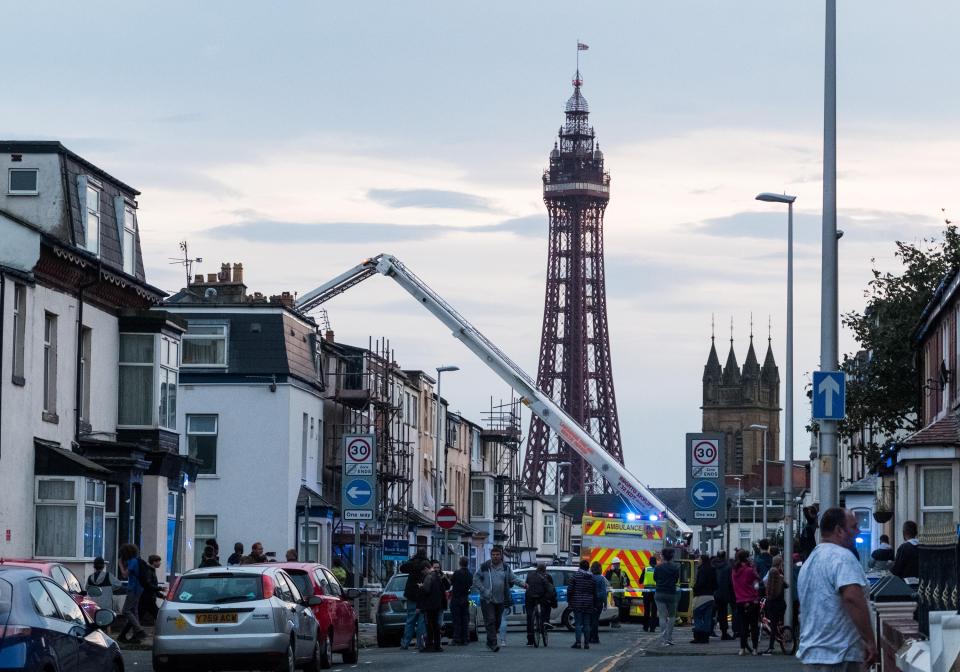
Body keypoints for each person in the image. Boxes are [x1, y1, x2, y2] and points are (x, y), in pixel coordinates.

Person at [797, 507, 878, 670]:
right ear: (839, 530)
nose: (858, 531)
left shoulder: (810, 561)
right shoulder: (842, 557)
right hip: (839, 655)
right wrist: (870, 641)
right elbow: (852, 598)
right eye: (854, 527)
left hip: (812, 655)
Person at [472, 546, 525, 652]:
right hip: (487, 599)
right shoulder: (485, 567)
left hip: (500, 599)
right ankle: (493, 643)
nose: (495, 557)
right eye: (493, 555)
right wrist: (483, 590)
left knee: (497, 621)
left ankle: (489, 640)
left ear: (501, 556)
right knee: (490, 620)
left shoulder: (505, 567)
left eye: (497, 555)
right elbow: (476, 579)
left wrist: (523, 584)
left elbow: (513, 578)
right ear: (491, 556)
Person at [399, 549, 430, 650]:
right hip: (423, 595)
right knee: (421, 621)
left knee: (410, 620)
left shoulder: (412, 563)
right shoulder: (426, 564)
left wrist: (412, 560)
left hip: (411, 594)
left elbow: (402, 568)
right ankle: (420, 643)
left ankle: (405, 643)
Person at [732, 549, 760, 656]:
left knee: (743, 626)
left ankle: (742, 649)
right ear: (747, 557)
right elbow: (757, 578)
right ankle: (754, 649)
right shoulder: (749, 570)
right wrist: (753, 566)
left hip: (740, 601)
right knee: (753, 626)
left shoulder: (734, 571)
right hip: (752, 600)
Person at [117, 544, 147, 643]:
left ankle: (139, 630)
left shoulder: (132, 562)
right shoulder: (138, 560)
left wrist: (120, 565)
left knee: (126, 610)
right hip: (139, 588)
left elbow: (125, 575)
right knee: (134, 611)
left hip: (133, 589)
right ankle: (136, 636)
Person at [653, 548, 680, 647]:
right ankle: (669, 638)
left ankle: (663, 639)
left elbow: (655, 578)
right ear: (672, 556)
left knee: (662, 616)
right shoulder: (675, 568)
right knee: (672, 616)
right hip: (671, 594)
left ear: (663, 556)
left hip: (660, 593)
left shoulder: (658, 567)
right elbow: (676, 580)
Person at [524, 561, 555, 646]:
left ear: (536, 568)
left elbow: (527, 586)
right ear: (545, 569)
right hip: (541, 597)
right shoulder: (548, 576)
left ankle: (530, 640)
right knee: (546, 606)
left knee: (530, 617)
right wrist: (553, 601)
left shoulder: (529, 575)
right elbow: (551, 589)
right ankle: (546, 621)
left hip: (530, 597)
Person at [567, 559, 595, 650]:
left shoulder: (575, 576)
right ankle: (586, 643)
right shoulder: (592, 578)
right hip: (588, 602)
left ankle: (578, 643)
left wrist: (569, 600)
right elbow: (594, 591)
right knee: (587, 624)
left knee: (578, 623)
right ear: (588, 567)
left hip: (577, 602)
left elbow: (570, 590)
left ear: (580, 566)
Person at [418, 562, 445, 652]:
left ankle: (429, 645)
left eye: (423, 571)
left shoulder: (429, 577)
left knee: (429, 625)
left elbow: (427, 590)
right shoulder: (437, 576)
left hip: (430, 605)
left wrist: (421, 587)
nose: (423, 573)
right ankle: (437, 645)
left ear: (426, 568)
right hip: (437, 605)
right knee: (435, 625)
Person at [762, 554, 786, 654]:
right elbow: (785, 585)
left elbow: (766, 583)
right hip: (781, 603)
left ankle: (771, 646)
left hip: (773, 603)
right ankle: (780, 634)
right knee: (776, 623)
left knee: (773, 625)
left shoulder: (772, 572)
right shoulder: (779, 573)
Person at [691, 554, 717, 644]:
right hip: (711, 597)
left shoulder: (702, 570)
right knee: (707, 617)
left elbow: (700, 583)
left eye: (699, 559)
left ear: (702, 560)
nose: (698, 560)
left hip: (701, 596)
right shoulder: (712, 569)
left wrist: (695, 589)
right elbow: (715, 584)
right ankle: (706, 637)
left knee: (697, 615)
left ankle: (698, 635)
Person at [450, 557, 474, 646]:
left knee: (457, 620)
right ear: (467, 564)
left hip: (456, 599)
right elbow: (471, 585)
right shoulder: (470, 574)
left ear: (460, 563)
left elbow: (451, 583)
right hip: (465, 598)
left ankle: (457, 639)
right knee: (465, 619)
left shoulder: (456, 573)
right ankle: (465, 638)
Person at [712, 551, 735, 640]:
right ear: (725, 556)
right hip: (724, 593)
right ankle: (724, 632)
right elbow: (730, 582)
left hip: (714, 593)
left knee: (712, 612)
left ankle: (709, 630)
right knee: (723, 613)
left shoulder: (713, 566)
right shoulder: (728, 567)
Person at [139, 554, 164, 625]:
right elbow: (148, 585)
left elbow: (152, 587)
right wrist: (160, 588)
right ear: (154, 562)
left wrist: (161, 596)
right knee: (158, 615)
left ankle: (132, 633)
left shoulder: (152, 571)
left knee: (139, 617)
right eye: (159, 561)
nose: (160, 563)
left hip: (148, 598)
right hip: (147, 598)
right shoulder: (149, 571)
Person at [603, 557, 628, 626]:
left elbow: (627, 582)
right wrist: (611, 571)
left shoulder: (622, 573)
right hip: (612, 594)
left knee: (618, 608)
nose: (617, 565)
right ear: (612, 565)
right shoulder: (609, 572)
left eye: (618, 564)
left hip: (620, 594)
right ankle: (614, 622)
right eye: (615, 564)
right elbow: (606, 580)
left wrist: (625, 583)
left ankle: (615, 622)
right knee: (615, 608)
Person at [589, 561, 609, 644]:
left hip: (590, 601)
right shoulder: (601, 578)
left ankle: (589, 637)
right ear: (600, 568)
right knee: (595, 620)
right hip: (598, 602)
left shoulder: (590, 577)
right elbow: (604, 592)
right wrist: (605, 604)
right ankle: (595, 637)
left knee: (590, 620)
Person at [641, 556, 658, 632]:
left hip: (647, 592)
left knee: (646, 610)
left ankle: (645, 627)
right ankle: (652, 628)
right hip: (655, 592)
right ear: (655, 562)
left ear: (649, 562)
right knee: (654, 611)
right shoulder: (657, 570)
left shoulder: (646, 569)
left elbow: (640, 581)